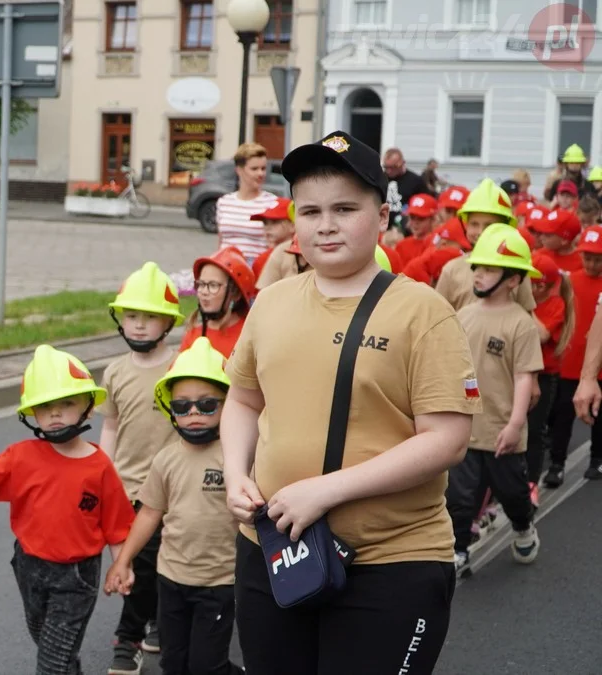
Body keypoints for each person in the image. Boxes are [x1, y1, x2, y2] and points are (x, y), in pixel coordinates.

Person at [222, 131, 478, 674]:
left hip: (391, 559)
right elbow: (243, 400)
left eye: (345, 208)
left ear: (382, 217)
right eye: (310, 210)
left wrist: (324, 491)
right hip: (275, 549)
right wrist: (234, 472)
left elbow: (448, 438)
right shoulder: (270, 303)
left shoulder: (423, 312)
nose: (326, 224)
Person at [0, 345, 134, 675]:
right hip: (28, 566)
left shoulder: (99, 467)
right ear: (32, 414)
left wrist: (121, 565)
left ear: (88, 407)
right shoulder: (21, 456)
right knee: (48, 644)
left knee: (51, 664)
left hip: (76, 576)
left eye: (67, 403)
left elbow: (118, 525)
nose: (55, 413)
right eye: (45, 406)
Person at [103, 338, 243, 675]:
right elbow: (149, 513)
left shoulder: (238, 456)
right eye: (182, 406)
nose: (193, 413)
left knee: (207, 665)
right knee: (174, 663)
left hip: (220, 582)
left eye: (207, 405)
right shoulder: (165, 460)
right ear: (170, 409)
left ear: (229, 405)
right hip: (172, 580)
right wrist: (122, 561)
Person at [97, 262, 185, 675]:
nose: (139, 325)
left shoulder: (181, 369)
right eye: (131, 315)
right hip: (130, 488)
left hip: (175, 489)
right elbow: (111, 425)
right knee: (143, 562)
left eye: (149, 317)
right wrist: (103, 470)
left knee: (167, 562)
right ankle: (129, 637)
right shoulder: (115, 372)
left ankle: (153, 624)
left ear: (168, 322)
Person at [446, 224, 544, 577]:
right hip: (464, 428)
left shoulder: (521, 324)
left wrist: (516, 424)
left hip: (503, 431)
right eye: (477, 266)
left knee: (514, 493)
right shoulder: (463, 316)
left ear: (513, 280)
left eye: (489, 268)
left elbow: (524, 377)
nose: (479, 273)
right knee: (458, 498)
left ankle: (523, 526)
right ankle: (458, 550)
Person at [547, 225, 602, 485]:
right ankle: (556, 464)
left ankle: (596, 460)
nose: (591, 263)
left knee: (599, 417)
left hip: (598, 366)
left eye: (597, 258)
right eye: (587, 257)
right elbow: (560, 312)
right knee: (562, 415)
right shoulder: (570, 280)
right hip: (570, 363)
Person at [435, 179, 537, 313]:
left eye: (489, 225)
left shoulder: (517, 270)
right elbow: (437, 318)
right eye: (474, 224)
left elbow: (526, 315)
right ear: (465, 226)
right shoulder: (452, 270)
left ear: (505, 227)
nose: (481, 232)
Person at [527, 252, 574, 503]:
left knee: (535, 431)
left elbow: (542, 334)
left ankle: (532, 483)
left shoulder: (556, 304)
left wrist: (526, 304)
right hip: (519, 373)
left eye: (537, 285)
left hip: (545, 375)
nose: (533, 290)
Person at [181, 247, 256, 358]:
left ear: (235, 293)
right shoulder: (193, 334)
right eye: (201, 284)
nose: (204, 292)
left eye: (213, 285)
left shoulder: (248, 336)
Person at [215, 143, 281, 264]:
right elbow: (221, 241)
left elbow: (276, 245)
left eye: (263, 168)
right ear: (239, 170)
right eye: (254, 169)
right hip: (225, 265)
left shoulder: (272, 203)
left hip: (256, 267)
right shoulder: (224, 202)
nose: (260, 174)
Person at [383, 147, 434, 229]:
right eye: (386, 167)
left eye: (392, 167)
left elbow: (426, 202)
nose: (389, 171)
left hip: (404, 227)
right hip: (382, 225)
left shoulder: (416, 181)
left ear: (402, 163)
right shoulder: (380, 178)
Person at [249, 197, 295, 278]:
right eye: (265, 223)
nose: (268, 227)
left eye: (274, 222)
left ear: (293, 225)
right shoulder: (262, 259)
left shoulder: (304, 257)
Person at [529, 208, 583, 273]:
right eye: (542, 232)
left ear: (564, 240)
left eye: (547, 235)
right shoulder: (539, 255)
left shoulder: (583, 262)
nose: (541, 237)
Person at [395, 193, 439, 266]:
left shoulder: (437, 244)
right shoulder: (402, 245)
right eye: (412, 217)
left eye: (421, 218)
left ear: (433, 219)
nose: (415, 223)